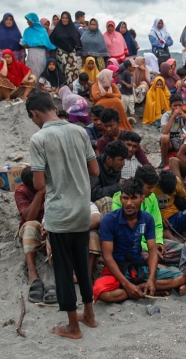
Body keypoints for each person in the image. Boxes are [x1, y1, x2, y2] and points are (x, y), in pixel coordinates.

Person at [27, 91, 98, 339]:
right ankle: (89, 315)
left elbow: (38, 184)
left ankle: (73, 327)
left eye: (33, 118)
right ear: (54, 108)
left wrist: (53, 173)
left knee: (64, 271)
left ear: (35, 114)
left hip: (59, 213)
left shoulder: (39, 138)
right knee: (82, 263)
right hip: (82, 209)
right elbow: (95, 170)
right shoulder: (79, 131)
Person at [94, 178, 186, 303]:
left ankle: (140, 288)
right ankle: (134, 289)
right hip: (117, 267)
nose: (129, 203)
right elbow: (107, 257)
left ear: (142, 199)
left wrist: (151, 280)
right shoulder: (109, 220)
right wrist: (127, 285)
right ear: (121, 199)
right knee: (102, 292)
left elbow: (152, 251)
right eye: (125, 198)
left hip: (138, 264)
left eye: (133, 198)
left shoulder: (147, 219)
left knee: (180, 278)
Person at [111, 165, 182, 265]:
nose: (152, 191)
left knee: (184, 250)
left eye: (154, 187)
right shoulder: (121, 200)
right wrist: (150, 248)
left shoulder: (151, 197)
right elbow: (127, 236)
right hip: (134, 247)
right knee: (147, 258)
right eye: (149, 187)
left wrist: (158, 242)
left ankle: (161, 264)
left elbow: (157, 224)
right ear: (139, 184)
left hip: (152, 242)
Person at [15, 167, 54, 302]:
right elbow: (29, 217)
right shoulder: (21, 191)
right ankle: (32, 271)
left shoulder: (51, 183)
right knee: (31, 226)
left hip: (52, 220)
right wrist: (39, 193)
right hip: (33, 225)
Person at [153, 170, 186, 237]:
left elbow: (184, 195)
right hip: (164, 221)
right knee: (164, 233)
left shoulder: (177, 181)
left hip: (177, 214)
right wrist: (159, 217)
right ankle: (178, 244)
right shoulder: (152, 188)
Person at [49, 12, 81, 85]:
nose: (64, 19)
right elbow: (52, 39)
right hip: (61, 53)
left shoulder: (72, 29)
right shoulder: (57, 29)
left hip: (71, 53)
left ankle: (73, 89)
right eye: (63, 18)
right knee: (63, 71)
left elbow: (76, 40)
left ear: (69, 19)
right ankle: (63, 90)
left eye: (66, 18)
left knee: (74, 70)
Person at [160, 94, 186, 168]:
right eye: (175, 105)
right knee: (164, 138)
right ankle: (165, 163)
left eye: (180, 105)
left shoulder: (184, 115)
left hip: (181, 141)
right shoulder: (166, 115)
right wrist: (173, 116)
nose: (178, 108)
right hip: (170, 143)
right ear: (170, 106)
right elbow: (165, 131)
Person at [21, 13, 56, 79]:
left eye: (29, 20)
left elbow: (44, 44)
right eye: (27, 20)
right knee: (31, 70)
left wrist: (31, 44)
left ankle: (40, 87)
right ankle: (32, 87)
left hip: (40, 54)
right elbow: (24, 43)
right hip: (31, 53)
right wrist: (34, 45)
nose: (28, 22)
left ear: (33, 20)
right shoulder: (27, 30)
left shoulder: (42, 30)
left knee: (40, 70)